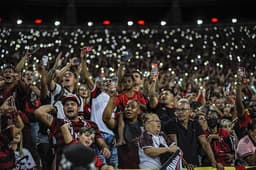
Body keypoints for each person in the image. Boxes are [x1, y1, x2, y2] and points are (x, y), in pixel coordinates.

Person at [35, 95, 110, 167]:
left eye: (72, 104)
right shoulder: (57, 123)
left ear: (78, 108)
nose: (69, 106)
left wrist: (104, 148)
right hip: (65, 164)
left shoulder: (91, 124)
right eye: (66, 105)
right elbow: (38, 112)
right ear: (63, 108)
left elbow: (101, 142)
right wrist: (54, 108)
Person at [165, 98, 224, 170]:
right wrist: (185, 164)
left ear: (190, 111)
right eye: (178, 109)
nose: (180, 112)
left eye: (183, 109)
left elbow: (205, 144)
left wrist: (214, 162)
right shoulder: (171, 124)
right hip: (178, 167)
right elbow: (174, 147)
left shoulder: (195, 124)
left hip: (195, 165)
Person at [103, 99, 143, 169]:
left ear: (139, 111)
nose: (129, 109)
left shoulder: (143, 125)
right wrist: (112, 98)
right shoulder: (119, 124)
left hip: (141, 166)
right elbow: (106, 118)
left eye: (133, 107)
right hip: (122, 166)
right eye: (127, 107)